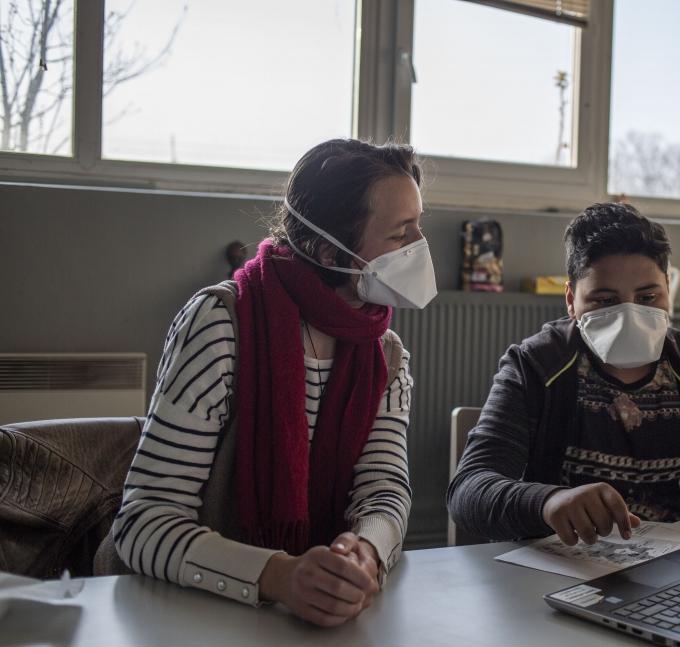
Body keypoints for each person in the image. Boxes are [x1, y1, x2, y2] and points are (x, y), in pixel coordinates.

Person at [95, 139, 436, 628]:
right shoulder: (221, 322)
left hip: (303, 622)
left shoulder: (385, 353)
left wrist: (365, 551)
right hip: (176, 614)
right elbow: (143, 522)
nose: (421, 246)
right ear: (327, 249)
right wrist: (279, 576)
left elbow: (384, 490)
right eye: (402, 233)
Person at [447, 202, 680, 546]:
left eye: (648, 298)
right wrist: (548, 501)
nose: (629, 312)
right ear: (571, 301)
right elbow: (469, 493)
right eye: (605, 300)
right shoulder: (536, 367)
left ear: (669, 293)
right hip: (562, 578)